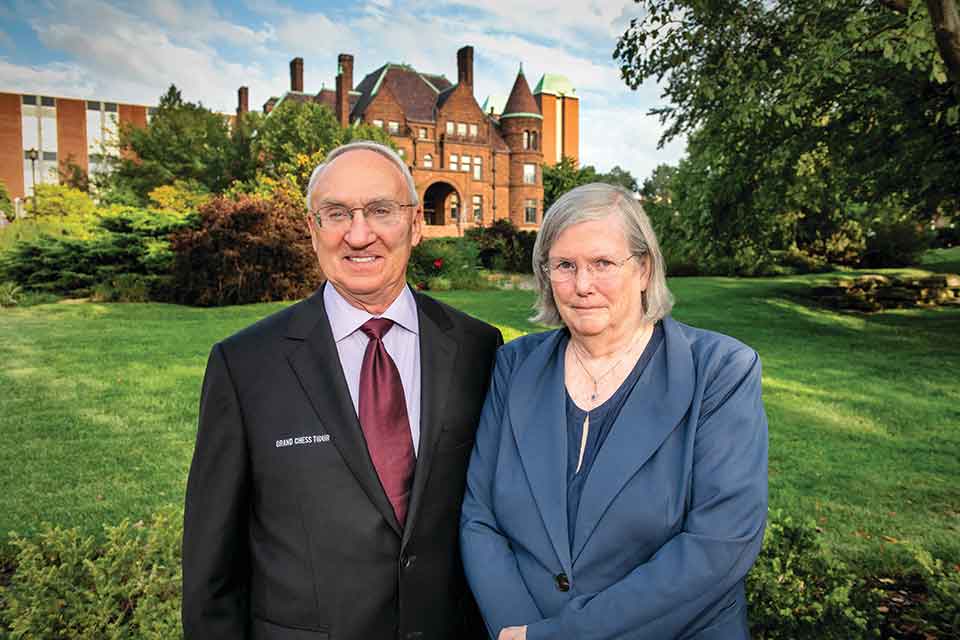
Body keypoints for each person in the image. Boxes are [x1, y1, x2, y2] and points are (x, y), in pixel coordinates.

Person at [183, 141, 502, 640]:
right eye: (336, 213)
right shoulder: (245, 366)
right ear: (313, 231)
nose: (359, 234)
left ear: (415, 224)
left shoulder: (478, 349)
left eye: (381, 210)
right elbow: (211, 570)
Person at [460, 183, 768, 640]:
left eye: (602, 263)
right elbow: (479, 517)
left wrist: (558, 636)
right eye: (565, 265)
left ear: (643, 269)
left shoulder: (720, 371)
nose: (582, 286)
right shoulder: (515, 365)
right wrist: (517, 630)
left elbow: (718, 545)